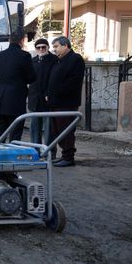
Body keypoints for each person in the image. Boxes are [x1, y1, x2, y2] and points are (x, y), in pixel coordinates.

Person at [47, 36, 85, 167]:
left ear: (65, 46)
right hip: (56, 103)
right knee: (58, 131)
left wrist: (57, 92)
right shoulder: (60, 61)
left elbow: (73, 81)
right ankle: (64, 155)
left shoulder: (75, 59)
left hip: (66, 103)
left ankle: (68, 157)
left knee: (66, 131)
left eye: (56, 47)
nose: (54, 50)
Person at [0, 28, 36, 142]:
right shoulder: (24, 55)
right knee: (15, 133)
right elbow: (32, 77)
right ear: (22, 41)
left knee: (1, 131)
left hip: (1, 99)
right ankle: (12, 158)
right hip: (16, 99)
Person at [28, 38, 58, 148]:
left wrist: (49, 93)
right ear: (35, 49)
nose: (41, 49)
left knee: (49, 128)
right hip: (34, 99)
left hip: (48, 99)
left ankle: (50, 152)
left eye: (43, 47)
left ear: (48, 47)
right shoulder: (32, 61)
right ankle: (35, 151)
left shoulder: (54, 60)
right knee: (35, 128)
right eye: (38, 47)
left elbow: (55, 80)